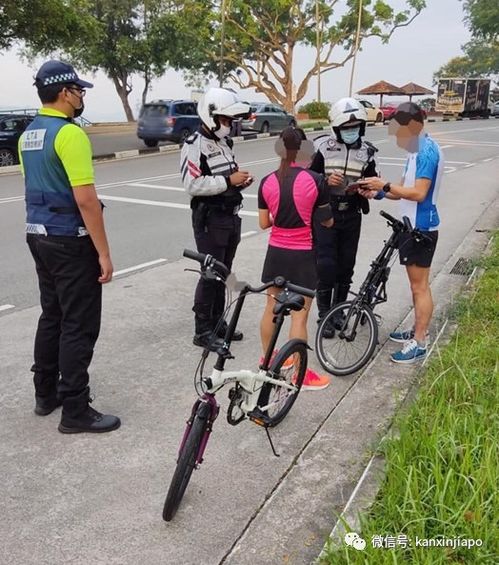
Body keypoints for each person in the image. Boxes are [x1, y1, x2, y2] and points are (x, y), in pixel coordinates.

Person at [19, 60, 120, 433]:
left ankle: (45, 393)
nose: (81, 96)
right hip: (69, 240)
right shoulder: (70, 134)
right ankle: (76, 408)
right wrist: (104, 254)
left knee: (53, 315)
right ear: (64, 92)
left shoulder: (29, 132)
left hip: (38, 235)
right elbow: (86, 200)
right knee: (79, 323)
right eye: (79, 90)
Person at [358, 102, 443, 363]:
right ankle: (418, 330)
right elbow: (405, 192)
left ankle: (419, 341)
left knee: (419, 287)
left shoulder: (427, 151)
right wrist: (380, 193)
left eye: (399, 131)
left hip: (421, 228)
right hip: (411, 225)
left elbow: (419, 193)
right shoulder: (415, 151)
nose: (397, 137)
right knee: (415, 285)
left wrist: (384, 183)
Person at [258, 127, 334, 390]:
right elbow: (328, 221)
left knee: (271, 308)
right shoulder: (315, 180)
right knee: (299, 316)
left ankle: (268, 364)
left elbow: (263, 223)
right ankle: (300, 374)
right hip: (302, 254)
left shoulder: (267, 181)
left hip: (275, 252)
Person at [181, 87, 253, 350]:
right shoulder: (194, 145)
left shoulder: (224, 143)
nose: (228, 125)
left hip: (230, 217)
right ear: (210, 116)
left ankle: (218, 322)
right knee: (210, 274)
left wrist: (238, 183)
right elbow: (193, 184)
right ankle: (202, 330)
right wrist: (227, 181)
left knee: (224, 273)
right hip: (210, 219)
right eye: (225, 120)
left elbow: (226, 179)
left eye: (230, 121)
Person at [309, 98, 378, 337]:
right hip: (326, 214)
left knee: (345, 265)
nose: (352, 131)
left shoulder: (367, 151)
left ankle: (338, 311)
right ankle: (324, 316)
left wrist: (367, 190)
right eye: (347, 128)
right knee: (325, 265)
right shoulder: (323, 148)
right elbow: (307, 180)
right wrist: (325, 181)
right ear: (336, 128)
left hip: (352, 214)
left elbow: (374, 182)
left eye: (356, 127)